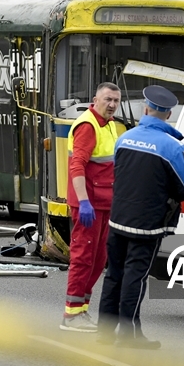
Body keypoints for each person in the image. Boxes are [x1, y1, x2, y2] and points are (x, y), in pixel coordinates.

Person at [98, 85, 184, 349]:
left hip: (117, 218)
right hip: (147, 225)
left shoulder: (125, 138)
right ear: (168, 115)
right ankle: (128, 336)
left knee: (114, 275)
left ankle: (106, 333)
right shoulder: (172, 148)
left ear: (145, 109)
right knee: (135, 278)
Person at [61, 82, 122, 332]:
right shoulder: (88, 125)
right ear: (95, 99)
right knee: (83, 258)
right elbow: (77, 166)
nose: (112, 105)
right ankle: (71, 314)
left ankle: (81, 310)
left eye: (116, 101)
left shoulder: (109, 125)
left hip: (104, 203)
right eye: (107, 99)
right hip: (89, 205)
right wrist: (83, 201)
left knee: (98, 260)